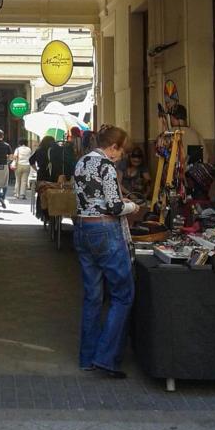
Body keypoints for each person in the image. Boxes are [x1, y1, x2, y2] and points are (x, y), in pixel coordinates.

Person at [73, 124, 139, 379]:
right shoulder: (106, 166)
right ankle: (107, 358)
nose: (121, 156)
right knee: (122, 295)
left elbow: (90, 198)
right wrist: (132, 207)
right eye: (121, 151)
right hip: (105, 231)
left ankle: (87, 357)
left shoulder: (81, 162)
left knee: (92, 296)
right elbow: (114, 207)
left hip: (82, 229)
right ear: (113, 147)